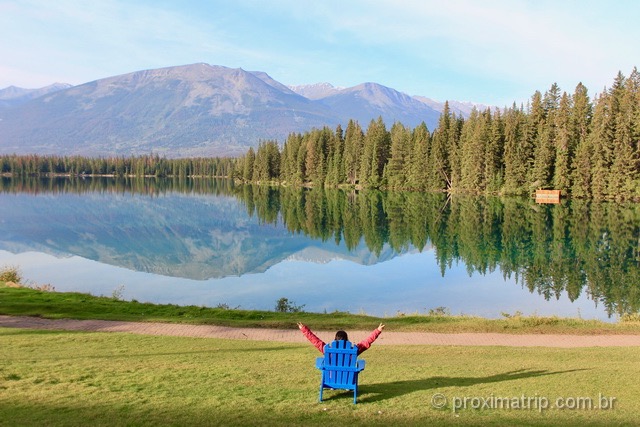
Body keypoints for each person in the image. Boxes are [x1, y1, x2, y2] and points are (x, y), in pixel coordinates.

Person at [297, 322, 385, 355]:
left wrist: (304, 329)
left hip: (331, 378)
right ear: (346, 340)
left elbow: (315, 341)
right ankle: (348, 387)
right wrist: (377, 330)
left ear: (335, 339)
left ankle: (332, 387)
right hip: (348, 379)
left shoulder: (327, 350)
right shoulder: (354, 350)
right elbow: (366, 342)